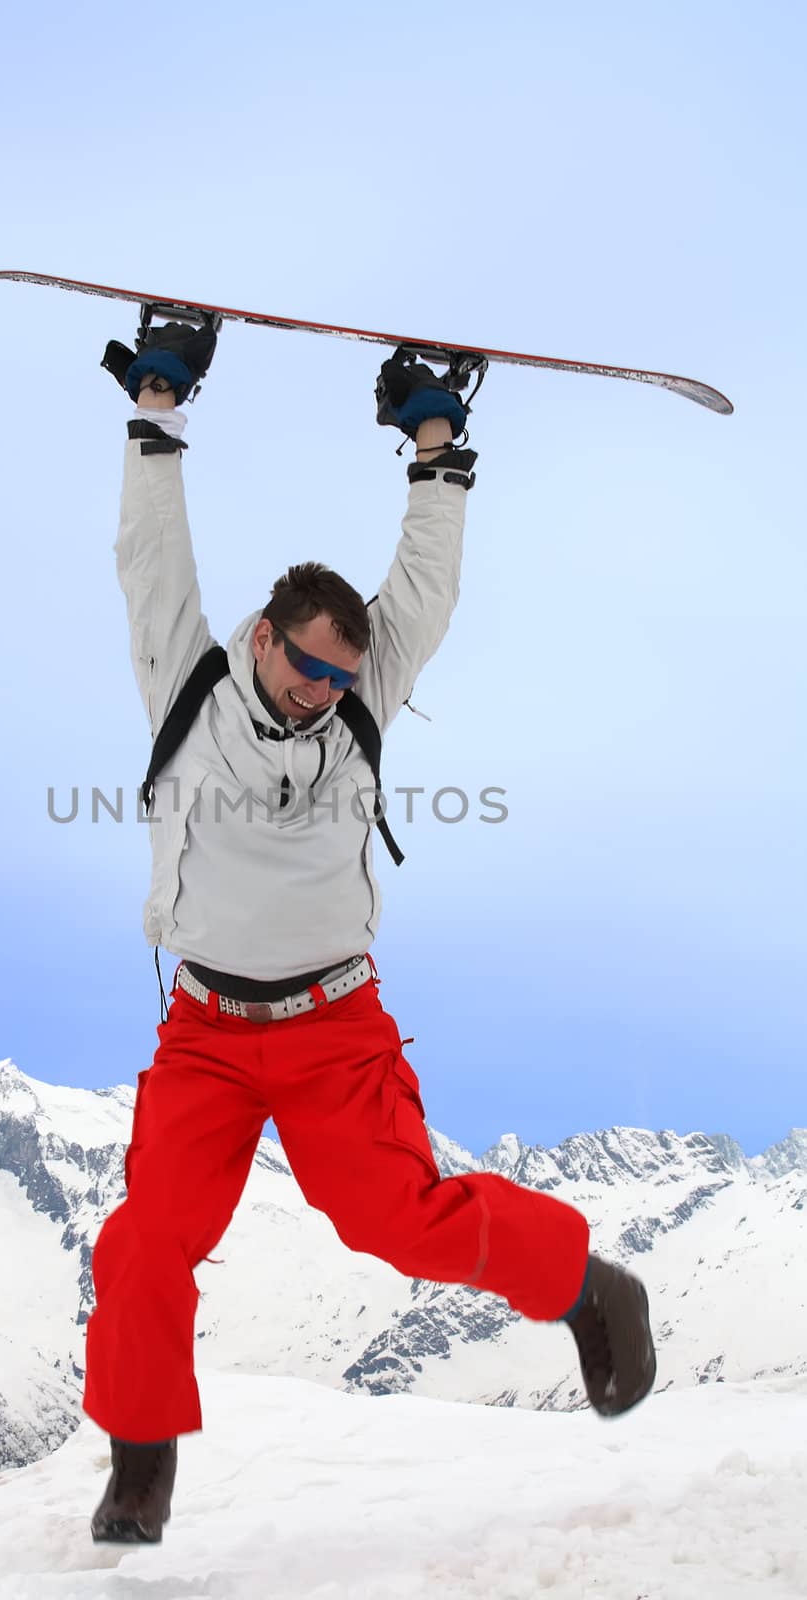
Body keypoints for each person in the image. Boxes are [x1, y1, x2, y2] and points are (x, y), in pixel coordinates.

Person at [85, 319, 656, 1544]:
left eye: (344, 679)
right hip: (202, 1032)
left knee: (396, 1217)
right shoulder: (182, 679)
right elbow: (149, 555)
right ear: (261, 639)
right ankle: (140, 1465)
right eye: (307, 673)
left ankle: (587, 1288)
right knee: (145, 1241)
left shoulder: (358, 703)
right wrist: (155, 406)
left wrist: (435, 438)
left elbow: (424, 586)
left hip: (332, 1025)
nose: (325, 693)